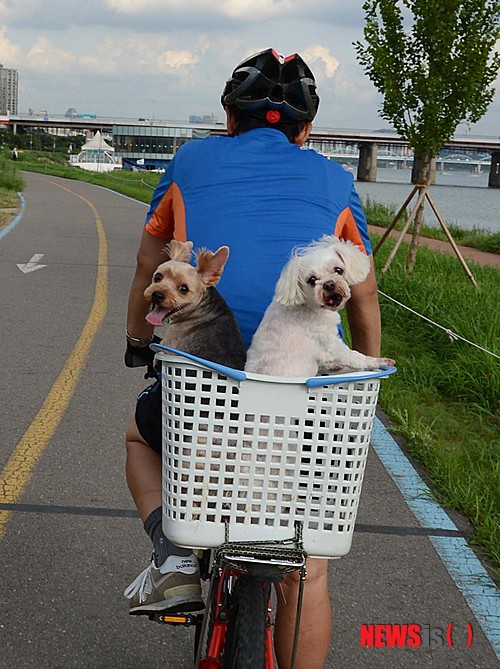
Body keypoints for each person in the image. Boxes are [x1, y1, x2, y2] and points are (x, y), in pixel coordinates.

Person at [124, 48, 382, 669]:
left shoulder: (189, 161)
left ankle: (177, 550)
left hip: (204, 389)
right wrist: (368, 369)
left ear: (227, 116)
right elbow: (364, 295)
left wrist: (140, 340)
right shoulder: (334, 180)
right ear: (307, 130)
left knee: (139, 433)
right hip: (305, 402)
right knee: (307, 566)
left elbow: (147, 266)